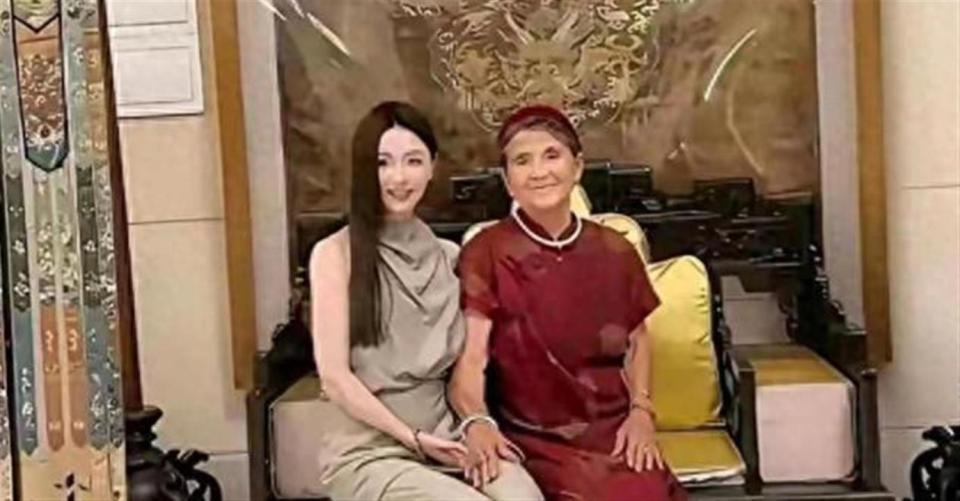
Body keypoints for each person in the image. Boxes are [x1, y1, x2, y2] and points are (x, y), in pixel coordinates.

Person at [450, 105, 688, 501]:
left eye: (551, 155)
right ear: (508, 181)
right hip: (529, 435)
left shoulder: (615, 249)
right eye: (522, 161)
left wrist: (641, 411)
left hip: (611, 431)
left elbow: (638, 341)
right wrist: (477, 421)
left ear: (577, 168)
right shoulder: (485, 252)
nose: (538, 172)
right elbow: (471, 359)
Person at [309, 101, 543, 500]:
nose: (399, 177)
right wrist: (413, 438)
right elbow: (335, 379)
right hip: (371, 451)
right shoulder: (335, 254)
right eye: (383, 163)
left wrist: (477, 423)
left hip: (446, 439)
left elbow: (464, 372)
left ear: (432, 167)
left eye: (413, 161)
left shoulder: (451, 257)